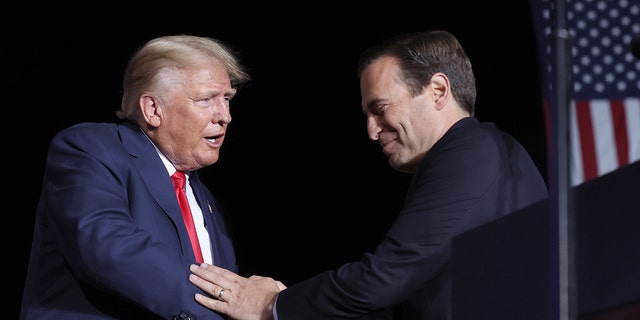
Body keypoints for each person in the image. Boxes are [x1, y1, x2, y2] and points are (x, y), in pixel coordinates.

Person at [187, 29, 549, 319]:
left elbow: (387, 276)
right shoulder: (472, 155)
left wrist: (272, 305)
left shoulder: (472, 151)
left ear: (438, 91)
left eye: (380, 109)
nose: (372, 131)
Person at [19, 34, 250, 319]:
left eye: (227, 99)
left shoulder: (204, 198)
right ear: (153, 109)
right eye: (206, 100)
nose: (225, 116)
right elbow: (110, 248)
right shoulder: (90, 148)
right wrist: (235, 301)